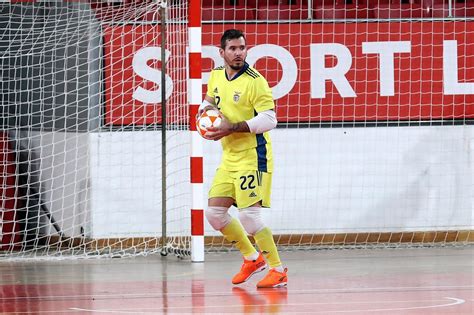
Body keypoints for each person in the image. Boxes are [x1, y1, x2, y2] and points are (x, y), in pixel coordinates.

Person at [198, 29, 287, 288]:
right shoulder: (216, 75)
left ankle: (278, 269)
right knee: (214, 214)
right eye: (233, 48)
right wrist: (204, 116)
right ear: (222, 52)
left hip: (253, 156)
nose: (239, 53)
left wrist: (232, 126)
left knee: (250, 218)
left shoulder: (255, 80)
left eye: (242, 48)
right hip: (229, 157)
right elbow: (209, 100)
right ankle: (252, 258)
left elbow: (270, 119)